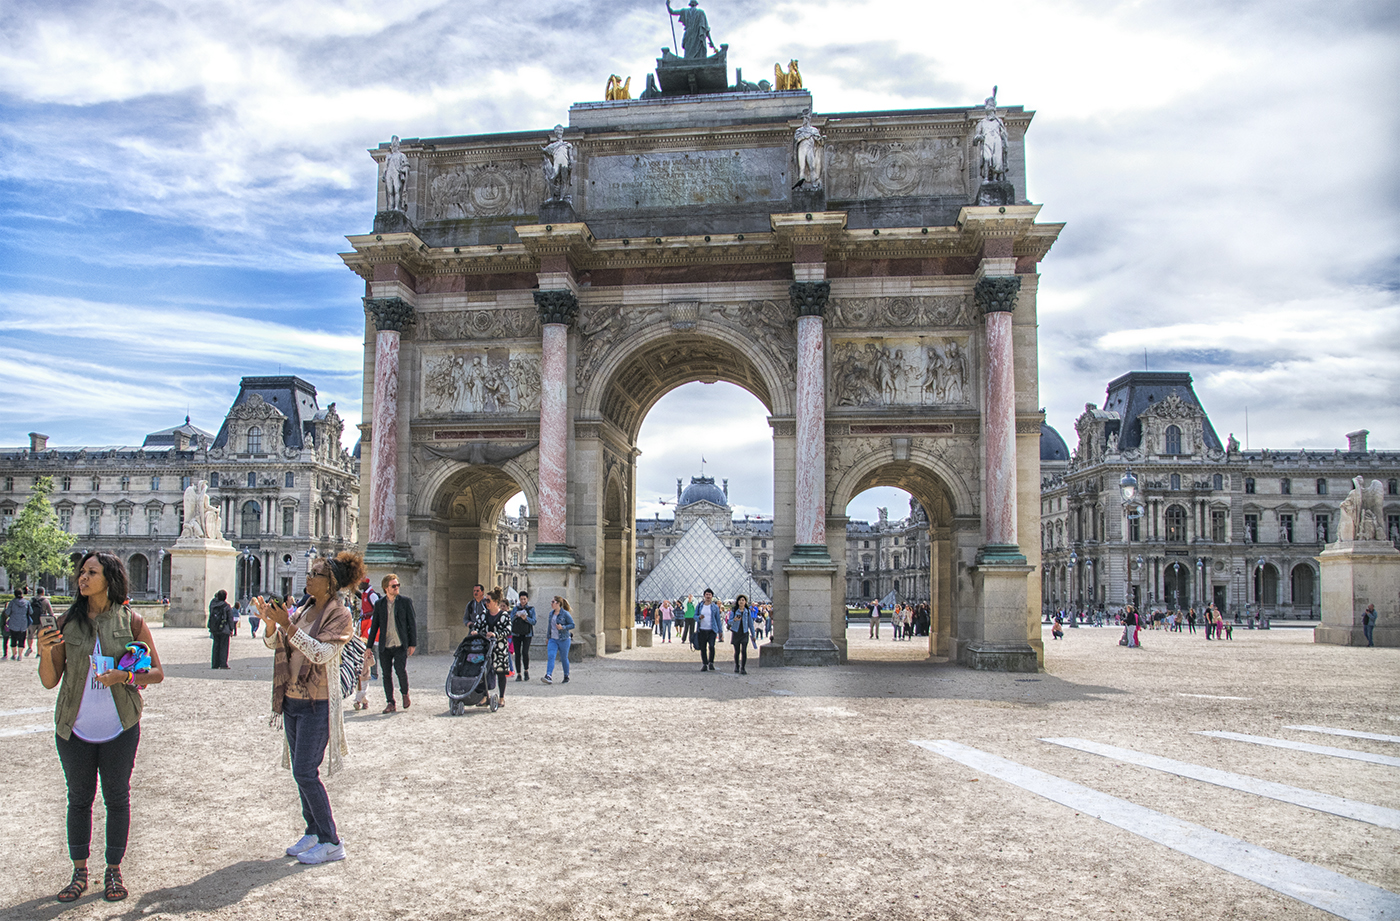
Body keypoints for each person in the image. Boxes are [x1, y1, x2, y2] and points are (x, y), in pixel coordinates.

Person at [38, 551, 165, 902]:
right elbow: (50, 681)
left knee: (117, 798)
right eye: (81, 572)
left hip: (120, 726)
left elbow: (156, 673)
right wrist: (44, 650)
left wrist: (123, 675)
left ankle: (113, 870)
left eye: (91, 572)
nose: (83, 577)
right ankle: (79, 872)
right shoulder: (67, 623)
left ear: (109, 579)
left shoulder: (132, 621)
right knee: (78, 799)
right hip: (73, 728)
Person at [251, 549, 363, 866]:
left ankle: (331, 840)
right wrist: (271, 626)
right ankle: (313, 830)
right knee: (301, 774)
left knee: (304, 771)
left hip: (318, 702)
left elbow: (319, 653)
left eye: (315, 574)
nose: (308, 577)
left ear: (330, 584)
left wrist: (287, 625)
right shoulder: (302, 610)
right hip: (292, 699)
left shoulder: (340, 615)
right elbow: (280, 646)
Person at [367, 573, 417, 713]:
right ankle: (390, 702)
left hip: (400, 643)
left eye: (397, 585)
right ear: (385, 588)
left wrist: (412, 644)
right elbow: (375, 626)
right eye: (393, 586)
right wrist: (368, 647)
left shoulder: (405, 602)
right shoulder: (379, 604)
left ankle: (405, 694)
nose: (396, 588)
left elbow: (412, 624)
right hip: (385, 644)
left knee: (400, 670)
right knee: (386, 674)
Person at [467, 587, 512, 709]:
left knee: (501, 673)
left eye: (488, 601)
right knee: (483, 672)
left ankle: (502, 697)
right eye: (486, 601)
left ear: (496, 602)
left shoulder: (504, 615)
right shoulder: (483, 615)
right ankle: (485, 696)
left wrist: (495, 635)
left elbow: (508, 630)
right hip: (485, 647)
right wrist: (475, 631)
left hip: (499, 648)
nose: (486, 603)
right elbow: (477, 626)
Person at [541, 596, 575, 685]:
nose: (551, 603)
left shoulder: (565, 614)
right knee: (551, 656)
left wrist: (563, 627)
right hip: (553, 639)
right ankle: (548, 675)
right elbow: (550, 627)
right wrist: (548, 637)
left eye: (553, 602)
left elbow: (572, 625)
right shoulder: (551, 614)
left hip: (564, 639)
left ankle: (566, 675)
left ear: (558, 603)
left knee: (564, 658)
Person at [694, 588, 723, 671]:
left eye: (709, 595)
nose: (708, 596)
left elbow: (718, 619)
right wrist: (699, 617)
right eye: (706, 594)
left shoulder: (715, 607)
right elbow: (694, 616)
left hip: (712, 630)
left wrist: (720, 631)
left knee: (711, 647)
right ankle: (705, 664)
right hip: (702, 630)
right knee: (703, 648)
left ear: (712, 596)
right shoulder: (699, 606)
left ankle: (711, 663)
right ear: (704, 595)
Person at [511, 591, 536, 681]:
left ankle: (526, 670)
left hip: (527, 634)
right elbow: (510, 620)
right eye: (521, 599)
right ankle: (518, 673)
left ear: (527, 599)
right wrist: (516, 616)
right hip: (516, 633)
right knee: (517, 653)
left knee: (525, 652)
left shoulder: (531, 609)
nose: (523, 601)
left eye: (524, 599)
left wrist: (526, 618)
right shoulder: (515, 609)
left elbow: (534, 621)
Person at [727, 594, 755, 674]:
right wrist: (734, 620)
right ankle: (737, 665)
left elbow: (751, 624)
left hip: (744, 633)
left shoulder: (747, 611)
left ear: (745, 602)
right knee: (737, 651)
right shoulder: (734, 611)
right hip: (736, 632)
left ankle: (743, 667)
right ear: (737, 602)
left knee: (744, 651)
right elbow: (729, 622)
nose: (741, 601)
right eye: (740, 600)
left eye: (743, 600)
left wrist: (753, 634)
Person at [207, 590, 233, 669]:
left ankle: (215, 664)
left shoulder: (212, 604)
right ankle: (223, 664)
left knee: (216, 646)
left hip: (214, 628)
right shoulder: (226, 606)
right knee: (224, 647)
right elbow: (230, 619)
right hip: (224, 629)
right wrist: (231, 629)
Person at [28, 586, 54, 656]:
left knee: (30, 635)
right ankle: (38, 652)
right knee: (40, 637)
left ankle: (29, 647)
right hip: (42, 621)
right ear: (43, 592)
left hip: (32, 620)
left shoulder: (31, 600)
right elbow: (51, 612)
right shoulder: (45, 601)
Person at [4, 589, 29, 659]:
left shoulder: (12, 602)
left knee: (13, 639)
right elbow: (30, 612)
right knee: (22, 639)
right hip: (23, 624)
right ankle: (20, 655)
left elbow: (7, 612)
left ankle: (14, 655)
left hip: (13, 623)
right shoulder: (27, 602)